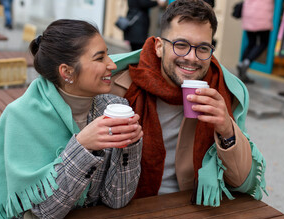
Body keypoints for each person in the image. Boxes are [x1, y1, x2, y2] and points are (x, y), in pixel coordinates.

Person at [0, 19, 143, 219]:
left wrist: (130, 146)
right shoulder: (22, 117)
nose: (112, 65)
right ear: (67, 72)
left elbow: (117, 200)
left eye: (108, 54)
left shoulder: (113, 108)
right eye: (100, 58)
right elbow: (46, 211)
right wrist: (82, 146)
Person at [109, 0, 267, 205]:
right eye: (180, 45)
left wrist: (228, 130)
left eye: (202, 48)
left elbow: (243, 183)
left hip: (195, 210)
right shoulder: (118, 88)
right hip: (127, 210)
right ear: (159, 47)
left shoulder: (226, 92)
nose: (191, 58)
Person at [237, 0, 274, 83]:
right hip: (262, 16)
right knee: (263, 43)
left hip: (249, 14)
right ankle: (247, 62)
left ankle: (241, 63)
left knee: (251, 42)